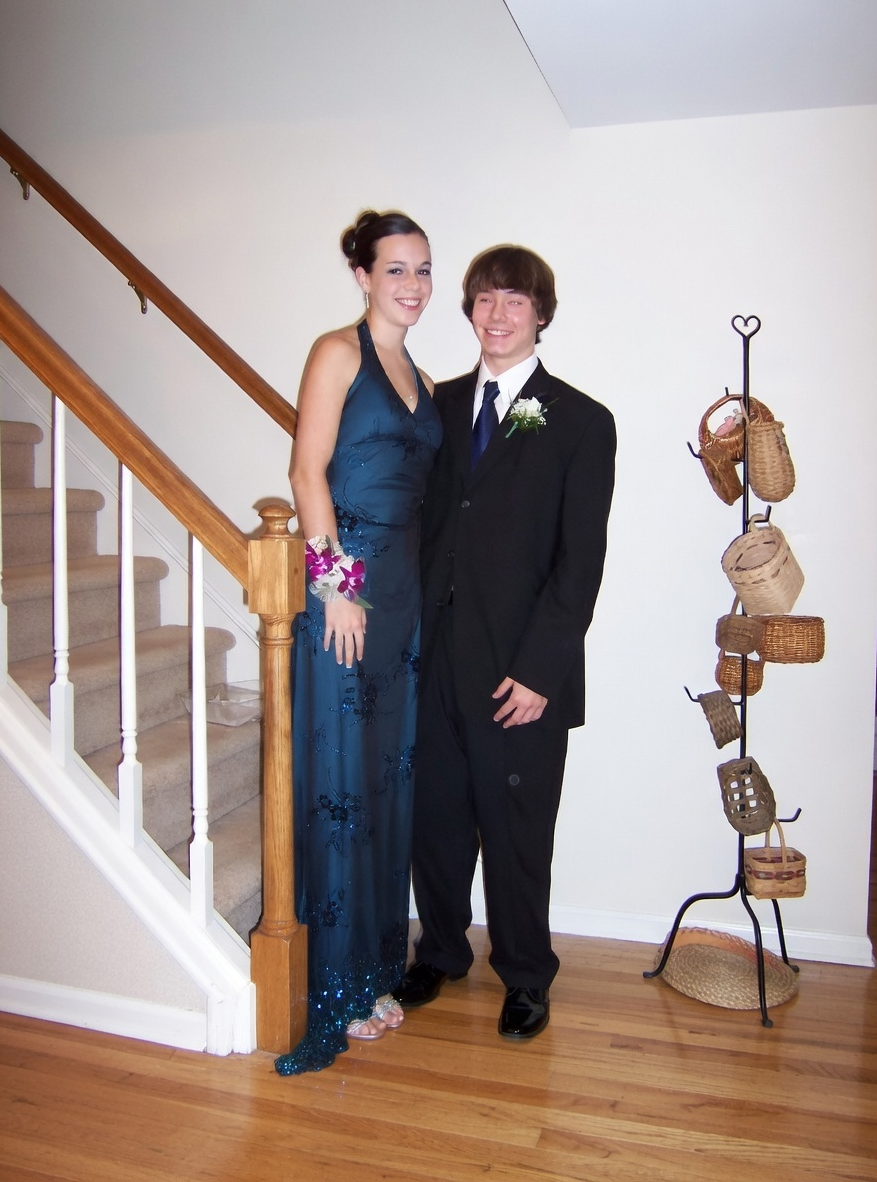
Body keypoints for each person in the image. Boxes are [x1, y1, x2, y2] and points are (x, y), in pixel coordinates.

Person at [392, 245, 615, 1039]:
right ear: (469, 310)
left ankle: (524, 973)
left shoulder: (581, 421)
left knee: (518, 830)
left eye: (514, 301)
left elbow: (579, 562)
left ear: (540, 314)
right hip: (433, 658)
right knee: (436, 820)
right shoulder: (438, 406)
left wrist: (539, 671)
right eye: (485, 299)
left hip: (520, 671)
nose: (497, 314)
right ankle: (440, 952)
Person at [274, 211, 442, 1075]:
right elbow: (306, 472)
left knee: (386, 783)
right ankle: (332, 992)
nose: (411, 285)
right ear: (362, 276)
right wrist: (335, 586)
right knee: (341, 785)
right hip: (347, 593)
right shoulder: (336, 353)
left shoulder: (422, 375)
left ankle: (374, 971)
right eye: (395, 269)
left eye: (422, 269)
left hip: (403, 599)